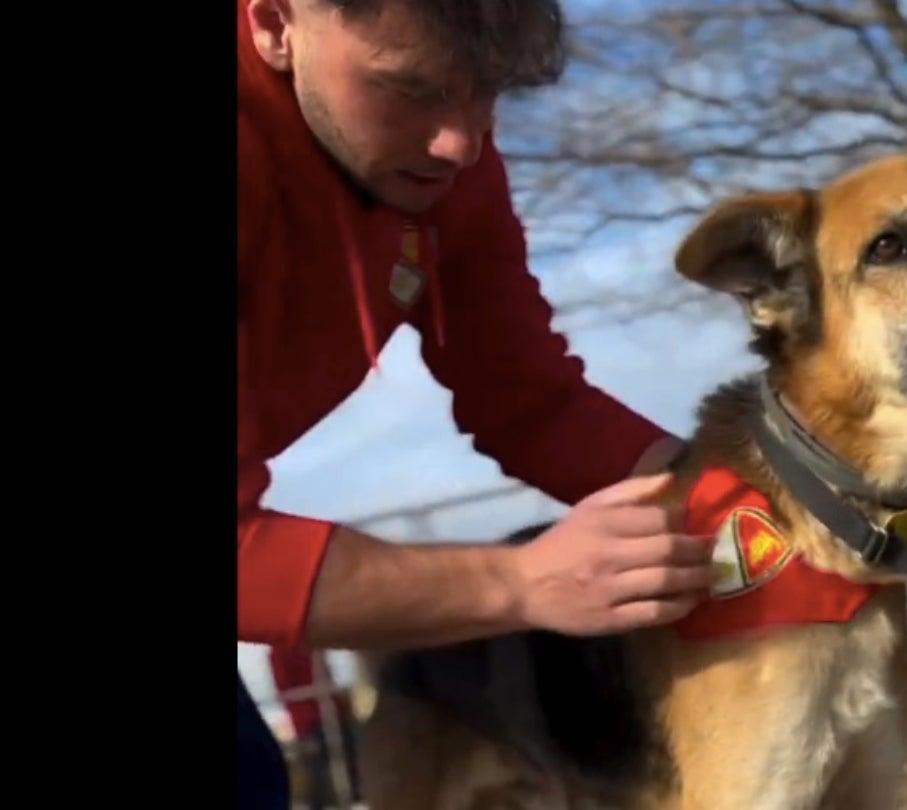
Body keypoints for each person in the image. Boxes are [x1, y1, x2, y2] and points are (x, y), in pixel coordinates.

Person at [236, 1, 714, 807]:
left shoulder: (446, 167)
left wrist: (741, 499)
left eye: (487, 90)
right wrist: (519, 583)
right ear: (276, 24)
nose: (461, 143)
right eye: (411, 88)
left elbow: (529, 400)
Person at [269, 647, 362, 809]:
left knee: (349, 756)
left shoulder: (313, 649)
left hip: (333, 714)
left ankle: (353, 798)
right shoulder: (282, 652)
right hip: (311, 720)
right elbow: (285, 688)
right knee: (318, 766)